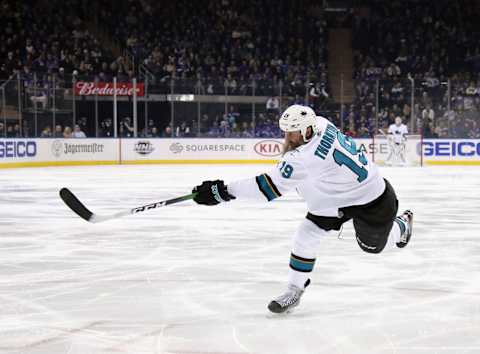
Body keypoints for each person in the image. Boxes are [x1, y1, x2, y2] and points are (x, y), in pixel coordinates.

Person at [191, 104, 413, 314]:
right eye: (286, 132)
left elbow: (266, 189)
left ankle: (401, 225)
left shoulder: (303, 158)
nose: (288, 138)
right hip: (335, 197)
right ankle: (294, 290)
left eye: (293, 133)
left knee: (372, 247)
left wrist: (223, 191)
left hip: (371, 198)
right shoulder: (322, 123)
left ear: (307, 130)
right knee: (307, 233)